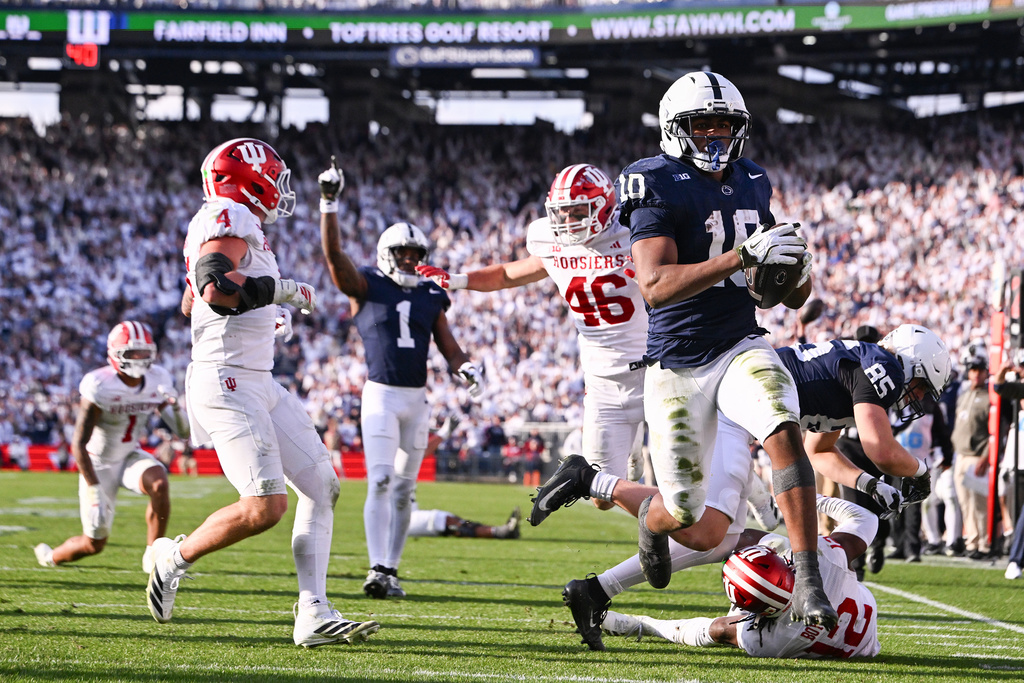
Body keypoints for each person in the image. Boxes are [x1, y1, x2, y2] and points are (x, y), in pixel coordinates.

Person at [541, 324, 948, 650]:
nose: (913, 398)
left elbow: (819, 451)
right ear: (912, 362)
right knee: (706, 531)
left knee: (720, 540)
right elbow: (880, 447)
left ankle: (593, 591)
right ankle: (590, 478)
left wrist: (868, 485)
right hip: (733, 411)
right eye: (920, 387)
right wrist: (921, 471)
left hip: (737, 410)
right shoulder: (883, 365)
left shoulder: (858, 369)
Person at [615, 70, 832, 627]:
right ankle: (650, 520)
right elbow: (655, 285)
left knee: (783, 426)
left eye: (725, 124)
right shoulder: (653, 180)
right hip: (678, 360)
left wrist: (793, 266)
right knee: (684, 509)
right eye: (702, 124)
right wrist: (742, 256)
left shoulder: (754, 179)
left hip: (740, 342)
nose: (715, 135)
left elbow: (785, 294)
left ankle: (808, 580)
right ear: (673, 127)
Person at [148, 138, 379, 648]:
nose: (279, 190)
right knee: (265, 506)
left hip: (256, 376)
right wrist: (278, 292)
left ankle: (313, 612)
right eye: (273, 178)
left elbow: (192, 304)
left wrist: (264, 314)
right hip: (227, 380)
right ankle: (172, 559)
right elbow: (213, 289)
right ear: (245, 181)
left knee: (322, 483)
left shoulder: (227, 221)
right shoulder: (229, 213)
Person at [416, 163, 648, 506]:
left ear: (604, 205)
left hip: (655, 366)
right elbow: (509, 274)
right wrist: (460, 279)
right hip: (601, 375)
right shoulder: (552, 241)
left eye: (577, 211)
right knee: (601, 498)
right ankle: (634, 447)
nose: (568, 220)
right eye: (562, 211)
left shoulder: (636, 232)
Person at [318, 157, 485, 600]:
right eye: (402, 254)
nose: (410, 260)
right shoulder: (368, 284)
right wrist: (328, 205)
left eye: (416, 255)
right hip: (382, 396)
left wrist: (464, 366)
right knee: (380, 480)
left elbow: (447, 343)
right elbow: (335, 259)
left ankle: (390, 570)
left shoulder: (432, 291)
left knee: (405, 488)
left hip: (418, 399)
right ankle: (375, 568)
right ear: (385, 256)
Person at [600, 495, 881, 660]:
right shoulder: (826, 560)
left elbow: (717, 629)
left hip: (822, 628)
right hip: (859, 630)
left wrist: (644, 624)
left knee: (738, 540)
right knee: (750, 541)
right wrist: (806, 497)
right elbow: (867, 518)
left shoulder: (773, 640)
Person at [34, 321, 188, 573]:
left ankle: (153, 554)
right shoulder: (100, 385)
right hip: (98, 463)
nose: (139, 359)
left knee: (159, 482)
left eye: (143, 353)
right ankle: (51, 557)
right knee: (94, 543)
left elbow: (182, 431)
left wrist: (175, 406)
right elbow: (78, 444)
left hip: (128, 455)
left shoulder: (157, 378)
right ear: (115, 354)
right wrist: (93, 488)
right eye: (132, 353)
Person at [951, 351, 992, 559]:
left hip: (977, 455)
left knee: (978, 503)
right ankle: (972, 541)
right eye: (973, 370)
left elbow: (994, 431)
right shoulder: (964, 395)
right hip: (960, 455)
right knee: (965, 503)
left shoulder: (989, 399)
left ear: (986, 373)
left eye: (980, 370)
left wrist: (986, 456)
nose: (976, 374)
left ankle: (983, 544)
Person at [408, 501, 521, 540]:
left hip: (403, 512)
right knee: (441, 519)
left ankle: (498, 531)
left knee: (449, 518)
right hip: (393, 519)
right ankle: (500, 532)